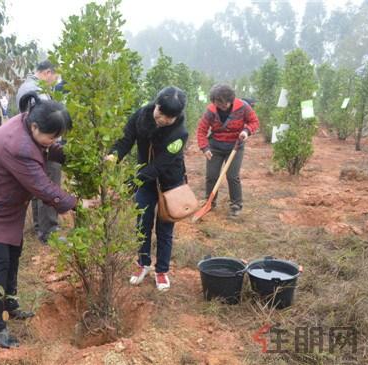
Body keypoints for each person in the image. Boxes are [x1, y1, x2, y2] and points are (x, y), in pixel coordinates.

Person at [0, 92, 81, 348]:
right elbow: (43, 188)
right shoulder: (19, 146)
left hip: (2, 205)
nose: (55, 141)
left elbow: (49, 147)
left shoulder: (30, 123)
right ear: (35, 126)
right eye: (52, 136)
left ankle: (9, 303)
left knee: (13, 252)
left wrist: (76, 158)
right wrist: (77, 203)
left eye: (59, 137)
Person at [110, 86, 188, 291]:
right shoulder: (141, 116)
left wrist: (130, 183)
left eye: (169, 118)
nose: (162, 120)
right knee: (142, 223)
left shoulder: (179, 133)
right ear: (156, 105)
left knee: (165, 228)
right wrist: (113, 156)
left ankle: (161, 270)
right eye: (160, 113)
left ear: (177, 116)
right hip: (145, 181)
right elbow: (125, 141)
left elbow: (160, 165)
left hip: (169, 182)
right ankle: (142, 264)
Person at [196, 84, 259, 217]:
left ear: (230, 99)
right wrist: (205, 148)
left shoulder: (243, 107)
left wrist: (246, 131)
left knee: (232, 176)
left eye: (224, 103)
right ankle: (210, 202)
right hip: (215, 147)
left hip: (235, 146)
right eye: (217, 103)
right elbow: (201, 130)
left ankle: (236, 204)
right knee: (211, 176)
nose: (221, 106)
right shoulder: (211, 111)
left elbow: (254, 122)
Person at [15, 60, 61, 243]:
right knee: (48, 183)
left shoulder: (26, 86)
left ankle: (39, 226)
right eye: (55, 77)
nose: (55, 81)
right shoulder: (35, 90)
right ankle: (49, 230)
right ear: (48, 72)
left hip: (35, 145)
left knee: (37, 184)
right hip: (42, 146)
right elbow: (42, 123)